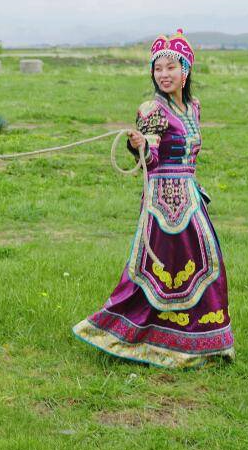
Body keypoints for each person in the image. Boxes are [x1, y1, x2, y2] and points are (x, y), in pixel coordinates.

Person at [72, 30, 234, 367]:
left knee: (208, 269)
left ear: (185, 71)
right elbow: (152, 159)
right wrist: (140, 145)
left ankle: (204, 343)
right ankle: (130, 333)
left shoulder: (194, 107)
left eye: (171, 68)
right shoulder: (151, 109)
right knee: (157, 273)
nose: (164, 74)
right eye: (158, 69)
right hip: (163, 204)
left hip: (191, 198)